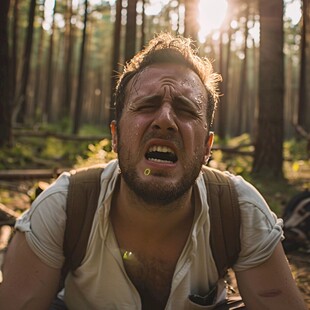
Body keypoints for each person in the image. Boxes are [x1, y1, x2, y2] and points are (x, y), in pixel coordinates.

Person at [0, 33, 307, 310]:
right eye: (147, 105)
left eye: (186, 110)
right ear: (117, 136)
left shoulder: (240, 210)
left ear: (206, 147)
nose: (165, 120)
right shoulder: (63, 208)